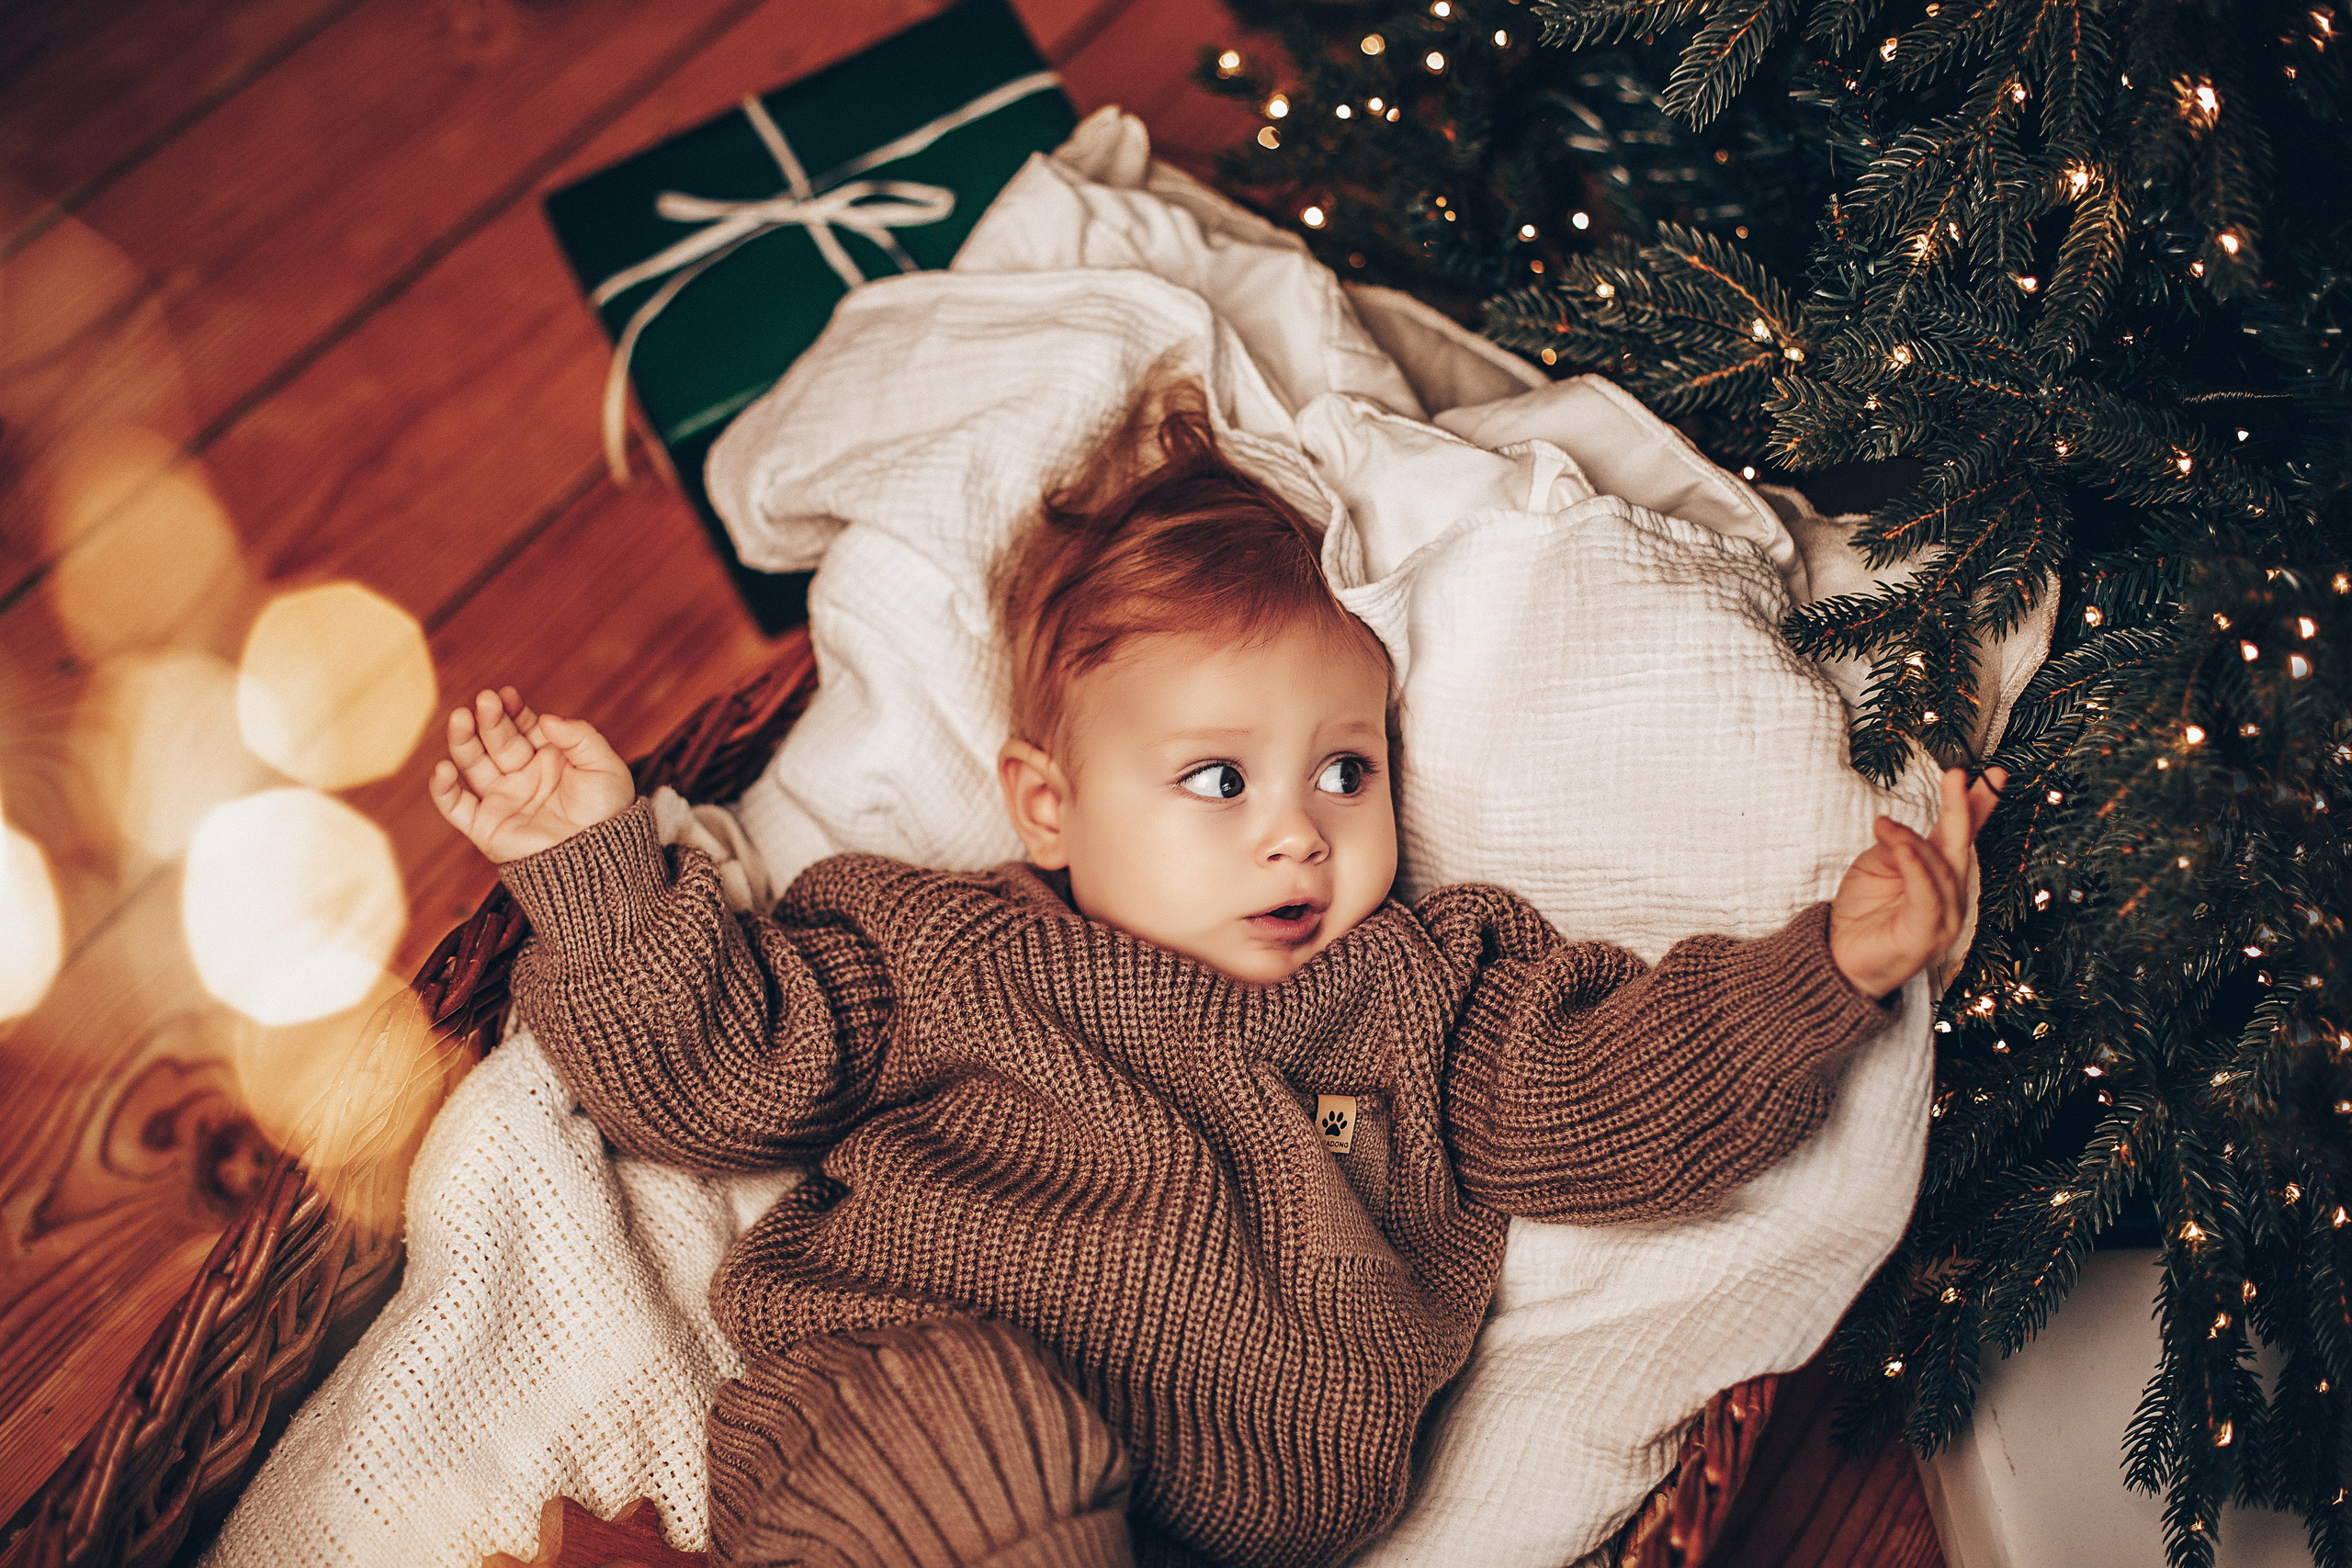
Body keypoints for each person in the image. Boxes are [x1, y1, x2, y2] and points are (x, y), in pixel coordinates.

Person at [428, 387, 2003, 1568]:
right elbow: (719, 1077)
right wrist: (596, 866)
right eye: (1216, 782)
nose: (1297, 838)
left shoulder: (1427, 992)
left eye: (1343, 770)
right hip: (900, 1431)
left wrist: (1831, 966)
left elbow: (1603, 1105)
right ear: (1048, 805)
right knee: (986, 1437)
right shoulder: (949, 950)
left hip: (1228, 1530)